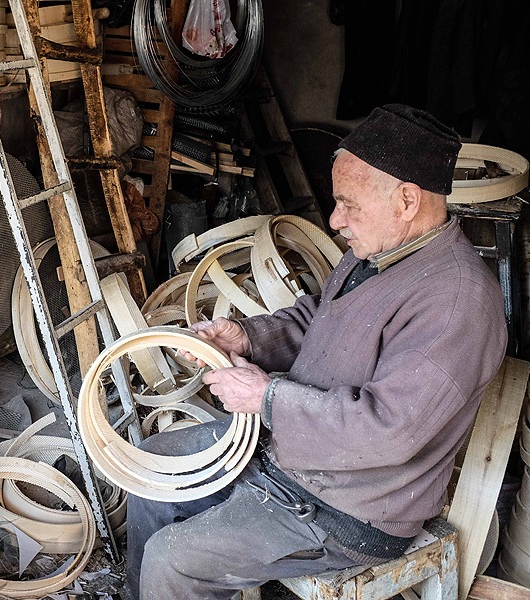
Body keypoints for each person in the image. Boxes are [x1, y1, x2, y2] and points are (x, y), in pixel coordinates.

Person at [125, 104, 508, 600]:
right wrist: (246, 338)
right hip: (287, 452)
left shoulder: (457, 302)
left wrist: (266, 398)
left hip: (353, 504)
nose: (334, 219)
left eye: (349, 204)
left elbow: (389, 432)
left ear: (407, 201)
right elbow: (317, 318)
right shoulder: (375, 251)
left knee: (173, 560)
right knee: (154, 467)